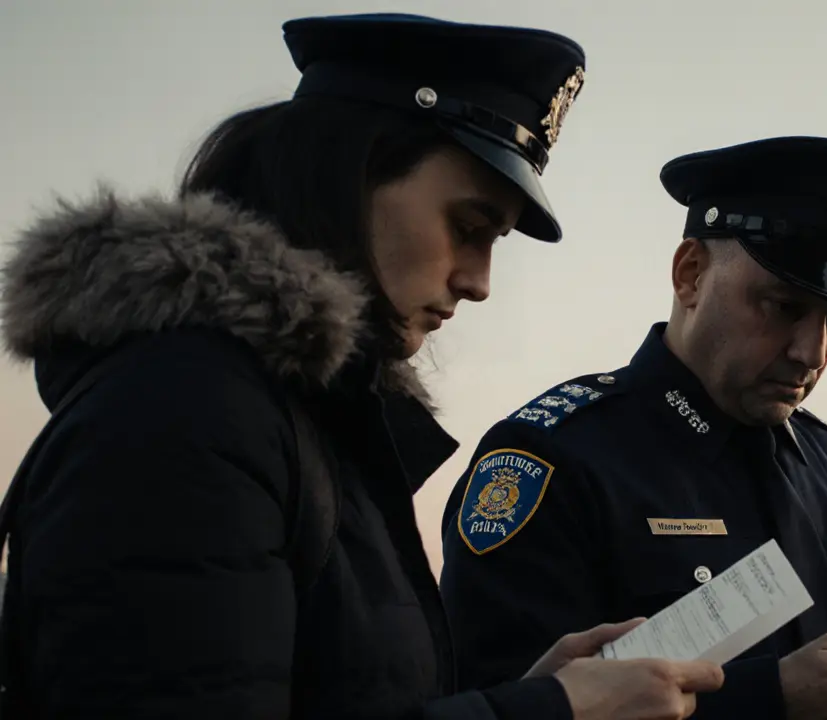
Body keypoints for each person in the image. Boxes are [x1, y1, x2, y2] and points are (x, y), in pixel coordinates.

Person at [0, 13, 722, 720]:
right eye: (468, 228)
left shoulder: (294, 415)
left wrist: (531, 692)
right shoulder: (182, 415)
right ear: (343, 178)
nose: (479, 281)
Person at [438, 136, 827, 720]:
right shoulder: (551, 461)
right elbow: (505, 708)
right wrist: (775, 700)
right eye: (784, 306)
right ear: (690, 274)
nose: (811, 352)